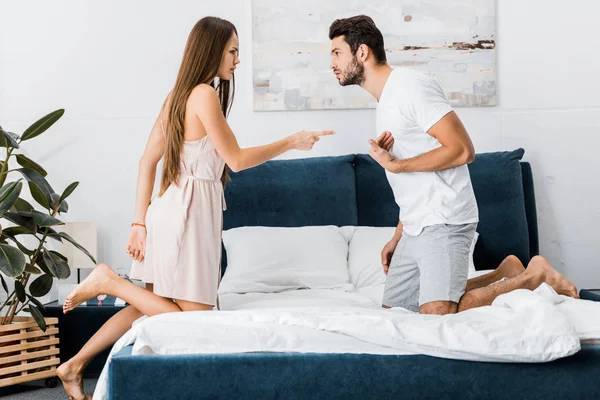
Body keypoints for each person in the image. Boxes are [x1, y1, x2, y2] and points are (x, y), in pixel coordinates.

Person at [56, 16, 335, 400]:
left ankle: (73, 365)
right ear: (213, 49)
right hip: (187, 214)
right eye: (233, 51)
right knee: (197, 321)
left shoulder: (177, 95)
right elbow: (235, 159)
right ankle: (109, 281)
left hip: (173, 209)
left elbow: (146, 162)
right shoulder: (203, 94)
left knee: (149, 307)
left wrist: (140, 221)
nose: (238, 60)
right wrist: (291, 141)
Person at [328, 15, 578, 315]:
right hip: (416, 225)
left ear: (362, 53)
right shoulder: (384, 102)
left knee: (437, 312)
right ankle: (505, 271)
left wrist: (395, 165)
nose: (332, 63)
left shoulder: (411, 87)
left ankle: (535, 276)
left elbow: (462, 150)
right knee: (398, 310)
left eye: (337, 53)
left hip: (445, 218)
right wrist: (398, 236)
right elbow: (414, 184)